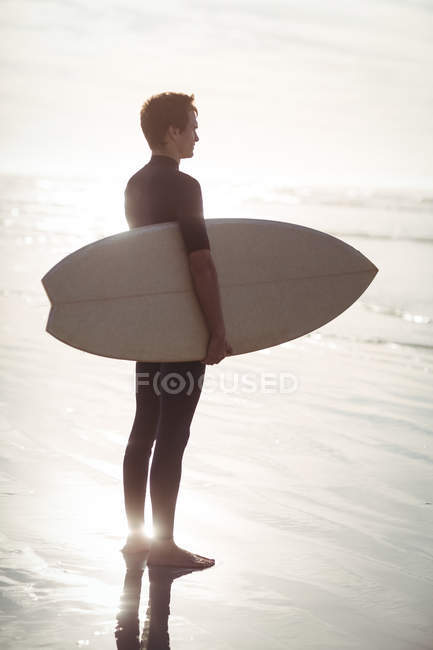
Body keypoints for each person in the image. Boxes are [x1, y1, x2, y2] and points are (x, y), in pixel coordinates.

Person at [121, 92, 232, 568]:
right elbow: (201, 263)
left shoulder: (133, 185)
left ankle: (136, 538)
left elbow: (145, 263)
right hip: (183, 328)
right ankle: (164, 546)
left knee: (144, 427)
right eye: (191, 125)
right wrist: (217, 328)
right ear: (171, 131)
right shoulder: (185, 187)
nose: (196, 135)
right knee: (174, 434)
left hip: (150, 328)